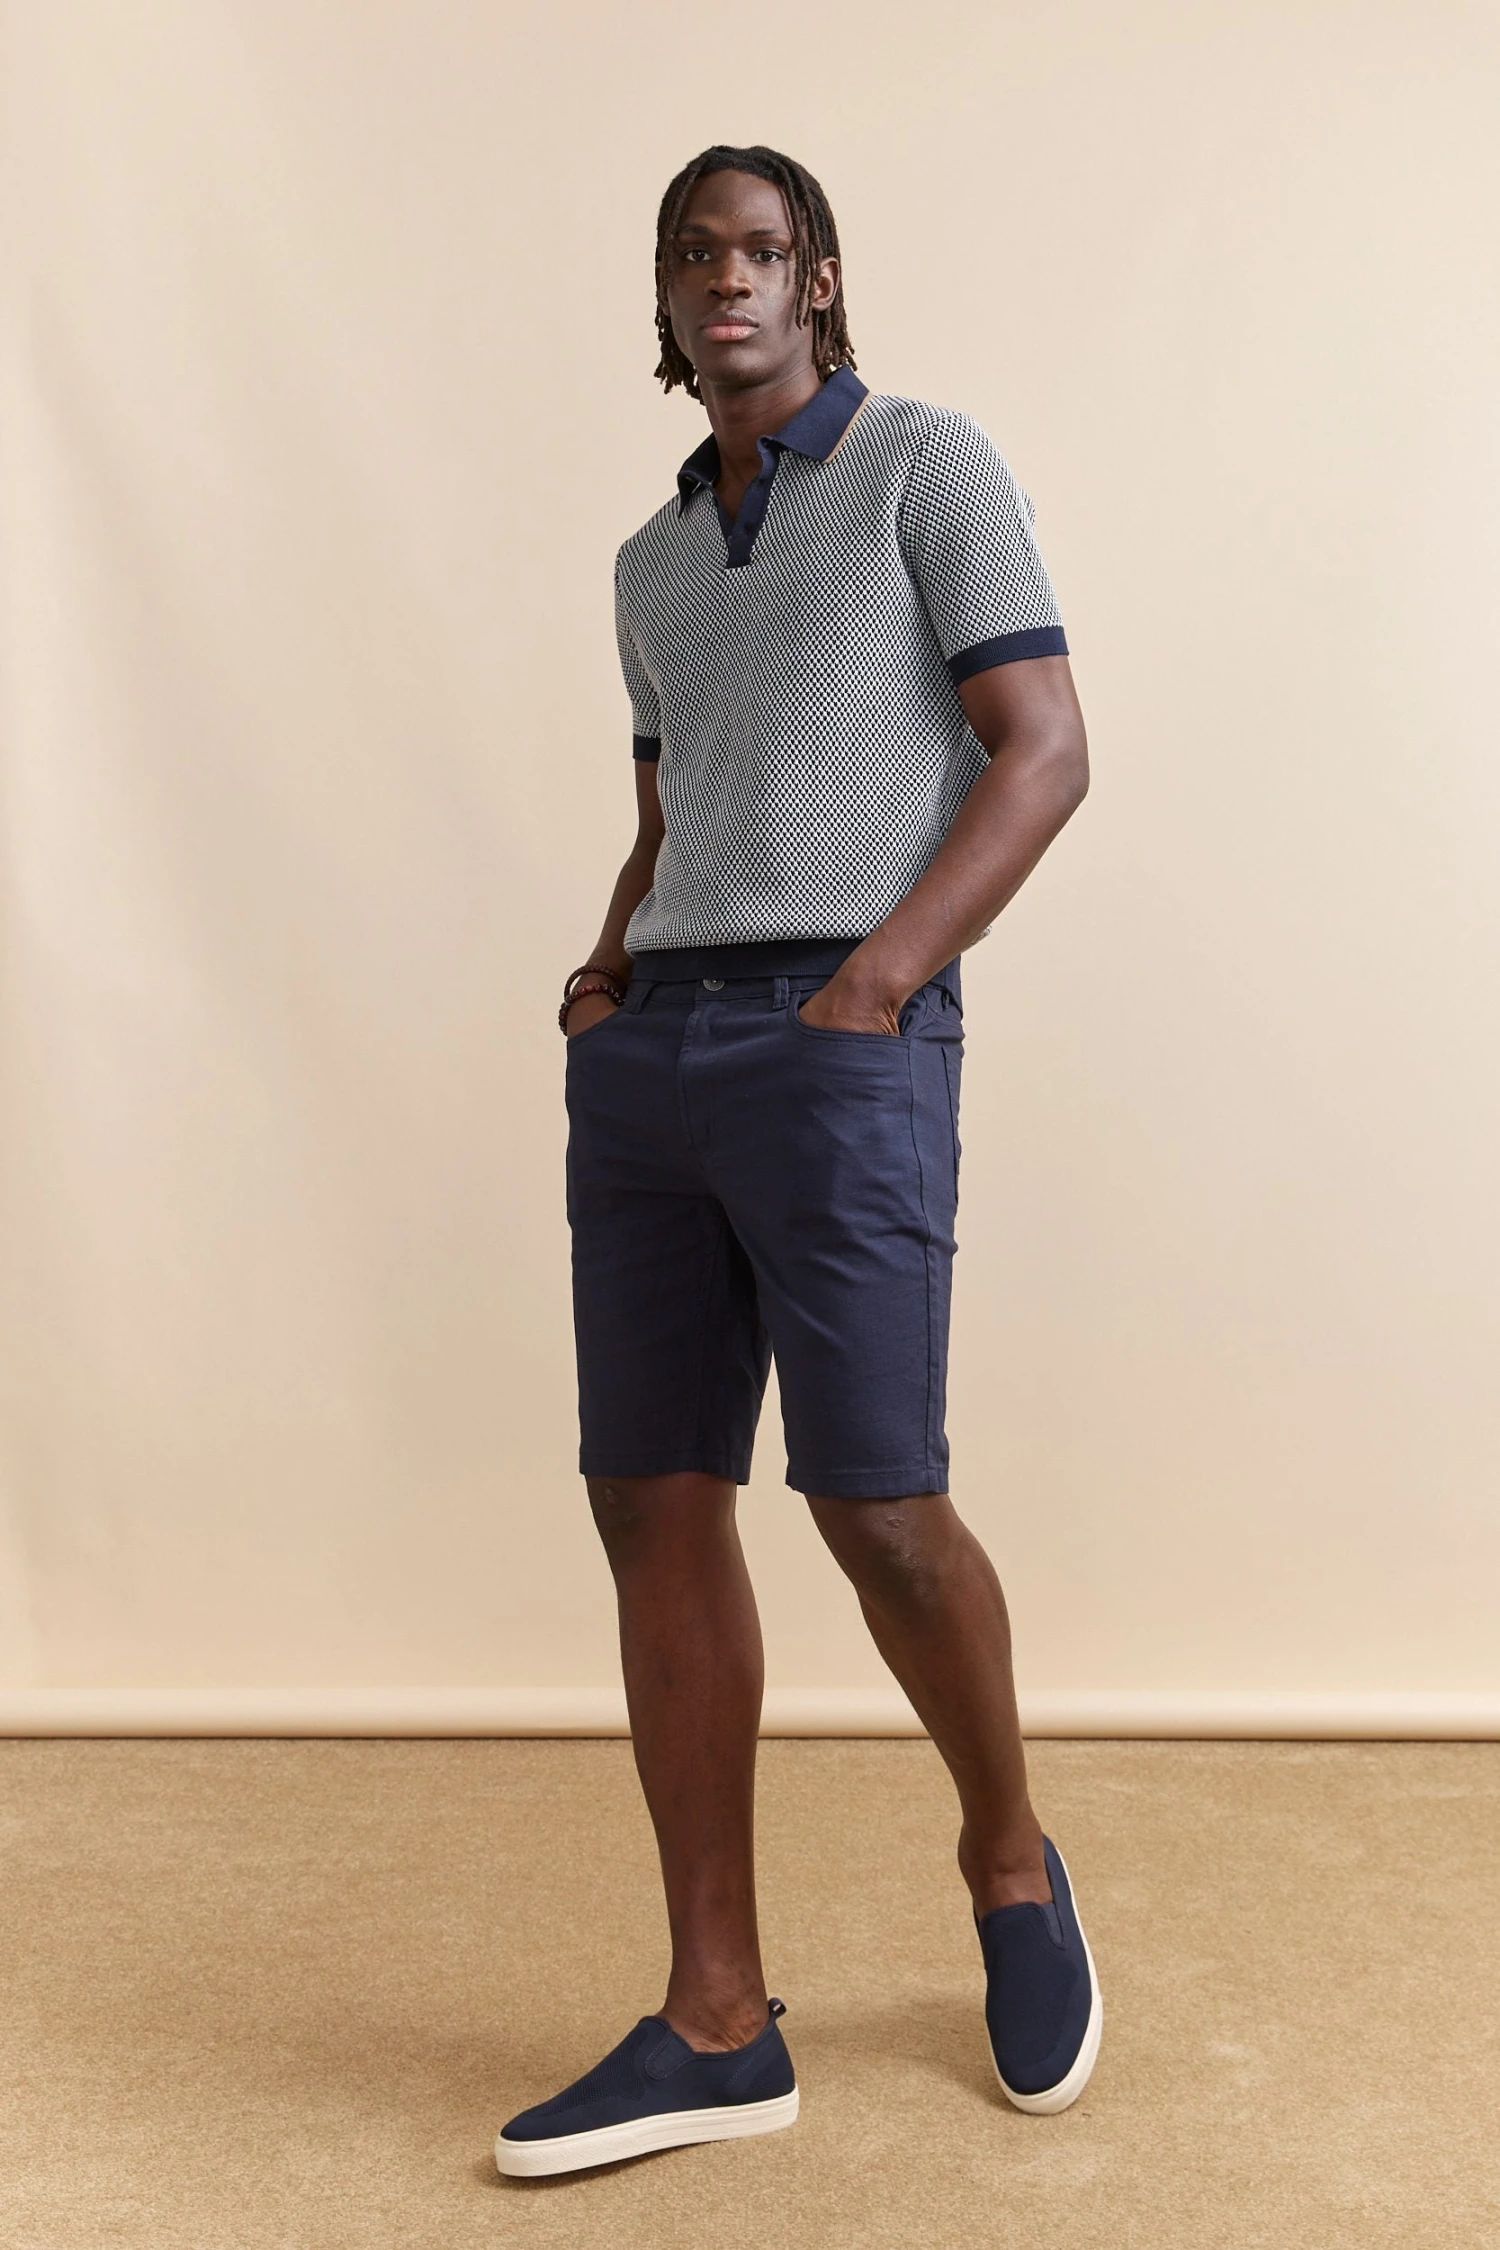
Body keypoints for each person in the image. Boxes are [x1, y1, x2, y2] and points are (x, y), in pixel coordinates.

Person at [495, 143, 1098, 2180]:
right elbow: (678, 815)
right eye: (694, 256)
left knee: (879, 1504)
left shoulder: (929, 464)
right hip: (653, 1054)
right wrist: (603, 974)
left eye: (761, 250)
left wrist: (879, 984)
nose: (728, 281)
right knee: (652, 1500)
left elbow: (1044, 747)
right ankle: (716, 2019)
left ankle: (1007, 1856)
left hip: (842, 1040)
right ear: (667, 303)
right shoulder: (650, 563)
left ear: (819, 278)